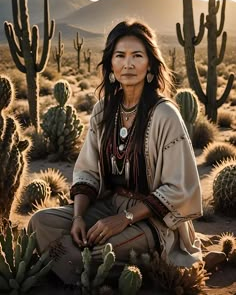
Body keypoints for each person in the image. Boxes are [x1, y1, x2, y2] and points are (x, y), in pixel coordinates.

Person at [28, 19, 203, 285]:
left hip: (154, 220)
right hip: (108, 206)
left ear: (150, 66)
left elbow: (180, 189)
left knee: (98, 251)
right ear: (111, 64)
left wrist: (125, 219)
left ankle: (81, 266)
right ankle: (79, 264)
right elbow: (87, 171)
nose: (128, 64)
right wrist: (77, 218)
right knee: (39, 223)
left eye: (137, 56)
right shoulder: (102, 110)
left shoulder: (166, 114)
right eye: (120, 56)